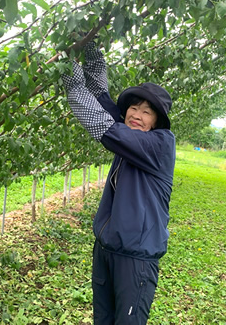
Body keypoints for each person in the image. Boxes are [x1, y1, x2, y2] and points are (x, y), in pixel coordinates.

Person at [61, 39, 176, 325]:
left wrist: (68, 71)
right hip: (107, 248)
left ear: (156, 121)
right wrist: (87, 45)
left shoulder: (159, 144)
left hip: (135, 257)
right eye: (133, 108)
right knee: (103, 320)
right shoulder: (129, 132)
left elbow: (98, 121)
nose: (137, 115)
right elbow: (100, 95)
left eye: (147, 112)